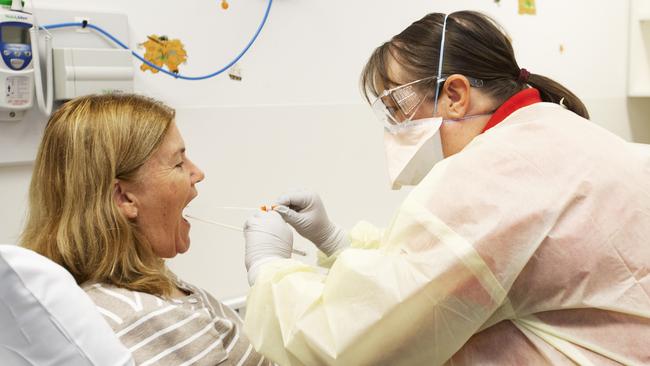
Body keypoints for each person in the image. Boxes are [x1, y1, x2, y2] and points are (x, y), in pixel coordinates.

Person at [242, 11, 650, 365]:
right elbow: (438, 278)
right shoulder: (556, 132)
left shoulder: (493, 175)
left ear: (454, 94)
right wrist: (337, 242)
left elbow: (363, 341)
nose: (393, 128)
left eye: (397, 107)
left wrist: (269, 273)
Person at [21, 94, 272, 366]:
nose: (198, 173)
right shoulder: (145, 320)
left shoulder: (126, 289)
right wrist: (273, 273)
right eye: (178, 163)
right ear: (124, 198)